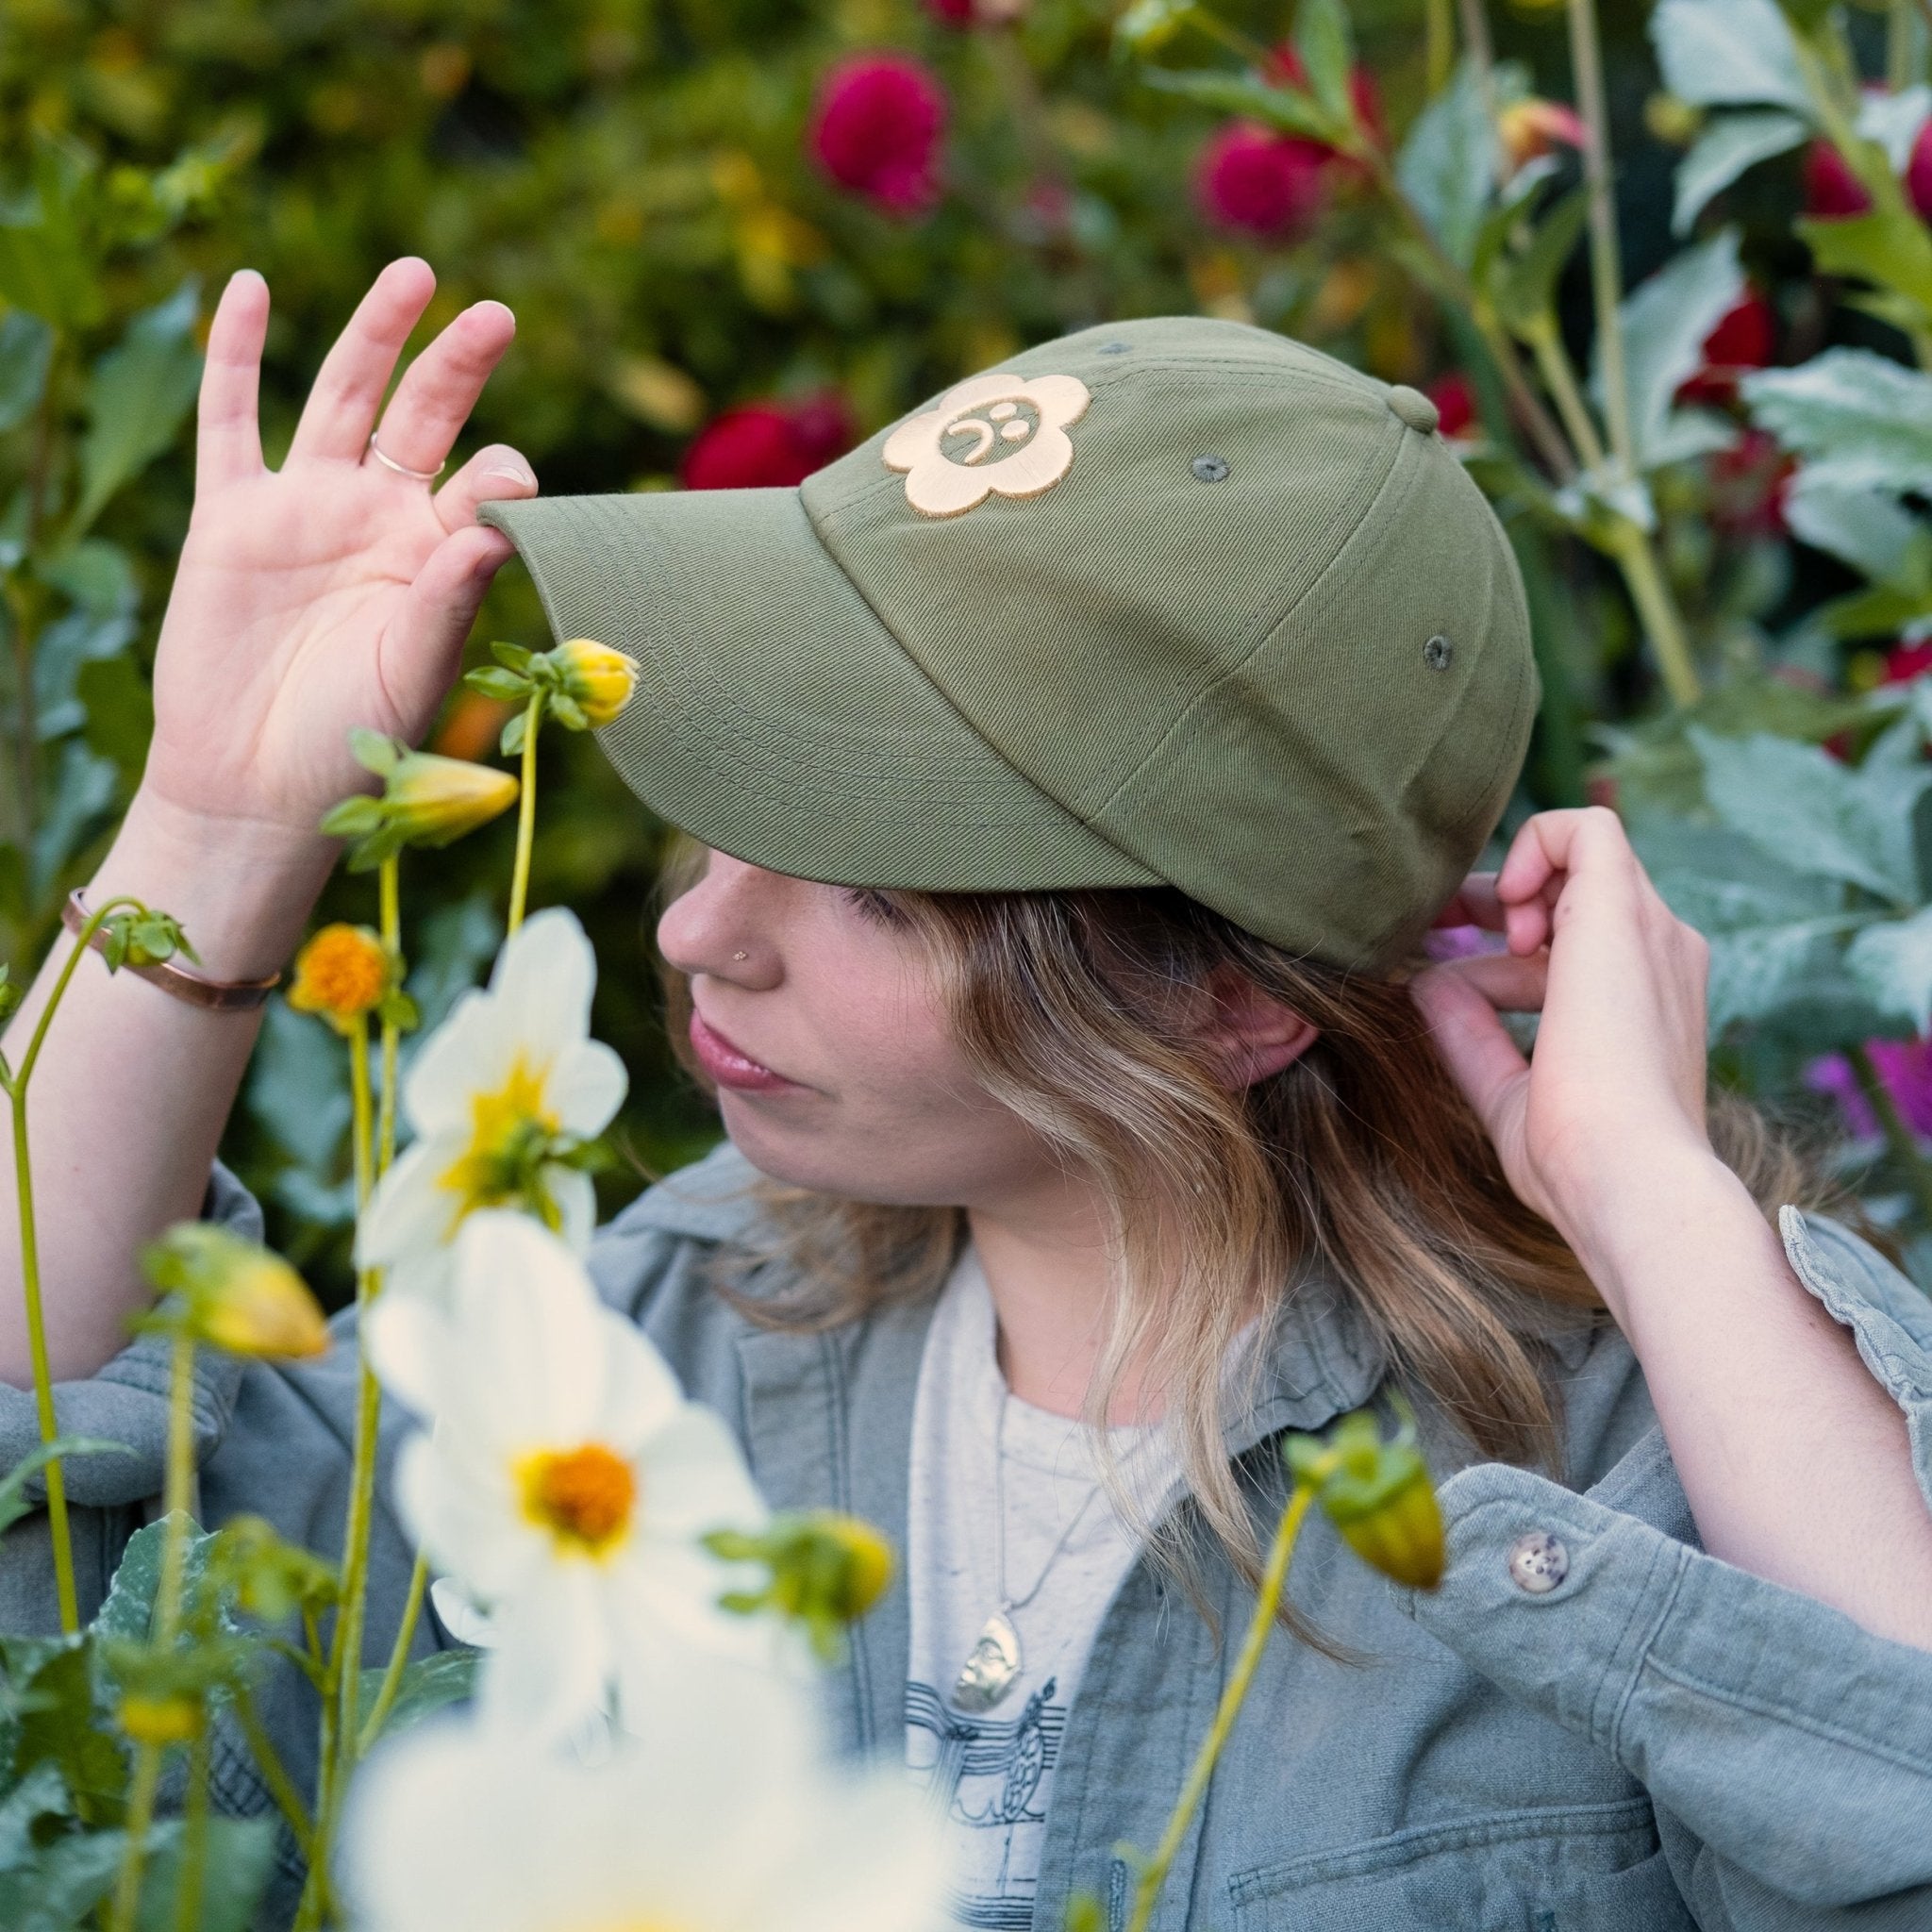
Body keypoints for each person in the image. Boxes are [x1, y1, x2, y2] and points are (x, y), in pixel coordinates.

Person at [3, 258, 1931, 1931]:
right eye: (749, 791)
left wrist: (1647, 1192)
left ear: (1235, 1002)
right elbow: (61, 1616)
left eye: (874, 880)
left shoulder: (1643, 1459)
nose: (699, 934)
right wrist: (216, 828)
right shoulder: (646, 1341)